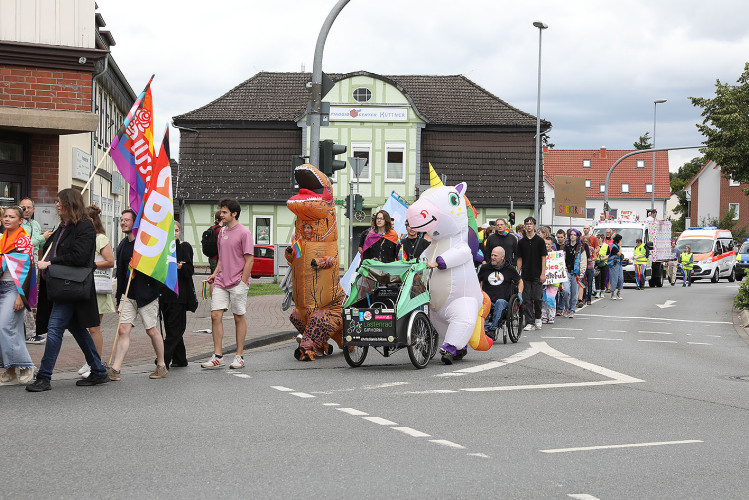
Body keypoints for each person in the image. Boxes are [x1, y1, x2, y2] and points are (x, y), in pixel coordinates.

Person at [26, 189, 109, 392]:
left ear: (70, 203)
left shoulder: (84, 227)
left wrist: (50, 263)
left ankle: (44, 376)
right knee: (78, 330)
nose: (56, 204)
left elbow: (79, 257)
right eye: (55, 201)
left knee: (55, 329)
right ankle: (98, 371)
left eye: (60, 201)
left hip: (71, 286)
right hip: (62, 287)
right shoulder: (62, 227)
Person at [108, 209, 168, 381]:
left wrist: (140, 265)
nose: (123, 223)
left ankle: (161, 364)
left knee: (151, 330)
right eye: (121, 220)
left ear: (135, 223)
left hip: (147, 294)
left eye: (127, 220)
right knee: (123, 329)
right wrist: (118, 297)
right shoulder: (122, 245)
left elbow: (155, 269)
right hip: (128, 295)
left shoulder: (145, 245)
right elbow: (120, 275)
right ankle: (116, 369)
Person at [202, 198, 253, 370]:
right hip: (221, 281)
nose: (221, 215)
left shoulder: (244, 233)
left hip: (238, 282)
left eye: (224, 212)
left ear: (234, 213)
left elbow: (249, 260)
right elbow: (221, 259)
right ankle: (218, 356)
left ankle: (239, 356)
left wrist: (242, 282)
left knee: (239, 317)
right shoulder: (221, 232)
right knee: (215, 315)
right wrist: (214, 275)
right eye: (221, 212)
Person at [77, 205, 115, 379]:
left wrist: (89, 265)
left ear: (91, 221)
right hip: (86, 286)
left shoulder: (100, 238)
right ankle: (91, 360)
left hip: (97, 287)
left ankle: (96, 362)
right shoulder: (86, 237)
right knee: (86, 326)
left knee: (94, 327)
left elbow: (110, 261)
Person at [0, 206, 36, 386]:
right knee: (9, 328)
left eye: (11, 217)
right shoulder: (2, 238)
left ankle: (25, 365)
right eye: (5, 216)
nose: (7, 219)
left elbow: (27, 269)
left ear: (20, 220)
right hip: (2, 286)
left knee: (5, 326)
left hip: (15, 289)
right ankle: (9, 369)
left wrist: (21, 296)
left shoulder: (23, 240)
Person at [160, 221, 195, 368]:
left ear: (179, 232)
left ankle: (163, 359)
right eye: (171, 231)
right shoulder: (162, 248)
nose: (174, 233)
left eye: (176, 230)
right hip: (165, 294)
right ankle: (180, 358)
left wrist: (181, 267)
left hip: (179, 294)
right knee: (170, 327)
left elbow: (190, 270)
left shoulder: (184, 247)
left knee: (175, 328)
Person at [478, 246, 521, 339]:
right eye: (492, 255)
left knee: (500, 302)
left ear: (502, 257)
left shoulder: (509, 269)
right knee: (482, 300)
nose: (493, 257)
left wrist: (520, 294)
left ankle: (493, 329)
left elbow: (520, 281)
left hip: (503, 302)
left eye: (495, 256)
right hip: (488, 300)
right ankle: (485, 330)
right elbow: (478, 281)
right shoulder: (485, 268)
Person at [19, 198, 46, 343]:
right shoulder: (17, 225)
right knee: (23, 299)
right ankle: (28, 333)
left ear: (33, 209)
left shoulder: (35, 224)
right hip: (22, 266)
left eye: (29, 207)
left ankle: (29, 332)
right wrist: (41, 237)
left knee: (29, 299)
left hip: (33, 265)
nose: (26, 210)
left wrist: (45, 238)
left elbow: (39, 243)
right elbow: (26, 244)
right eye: (23, 207)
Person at [516, 217, 547, 331]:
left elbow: (543, 258)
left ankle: (538, 317)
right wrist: (517, 273)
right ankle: (529, 322)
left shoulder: (540, 241)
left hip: (537, 274)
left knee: (537, 297)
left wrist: (543, 273)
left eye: (531, 224)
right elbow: (519, 258)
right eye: (527, 224)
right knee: (526, 299)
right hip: (525, 274)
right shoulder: (522, 242)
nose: (529, 226)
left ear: (534, 225)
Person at [563, 229, 587, 318]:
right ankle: (566, 307)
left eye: (574, 235)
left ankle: (572, 310)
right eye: (571, 234)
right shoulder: (566, 246)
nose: (572, 236)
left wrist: (582, 272)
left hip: (576, 273)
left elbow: (583, 261)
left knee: (574, 293)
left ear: (577, 236)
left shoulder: (581, 247)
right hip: (566, 272)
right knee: (565, 291)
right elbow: (562, 258)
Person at [541, 237, 558, 324]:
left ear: (552, 245)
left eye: (548, 244)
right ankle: (544, 315)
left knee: (551, 298)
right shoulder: (540, 254)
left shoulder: (556, 255)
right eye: (545, 244)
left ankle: (551, 316)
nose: (547, 246)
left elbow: (560, 265)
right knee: (543, 299)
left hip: (553, 281)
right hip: (543, 280)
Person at [608, 233, 624, 300]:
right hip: (614, 265)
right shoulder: (614, 247)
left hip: (619, 264)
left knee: (621, 278)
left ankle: (618, 292)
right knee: (614, 279)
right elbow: (619, 254)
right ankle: (612, 293)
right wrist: (620, 246)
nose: (621, 242)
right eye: (620, 240)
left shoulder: (616, 246)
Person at [581, 235, 595, 305]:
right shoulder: (582, 249)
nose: (585, 243)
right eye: (584, 241)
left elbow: (595, 257)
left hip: (590, 267)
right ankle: (584, 298)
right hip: (584, 267)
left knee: (590, 284)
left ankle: (589, 299)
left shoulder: (591, 248)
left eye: (587, 241)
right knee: (583, 284)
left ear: (589, 242)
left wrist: (591, 259)